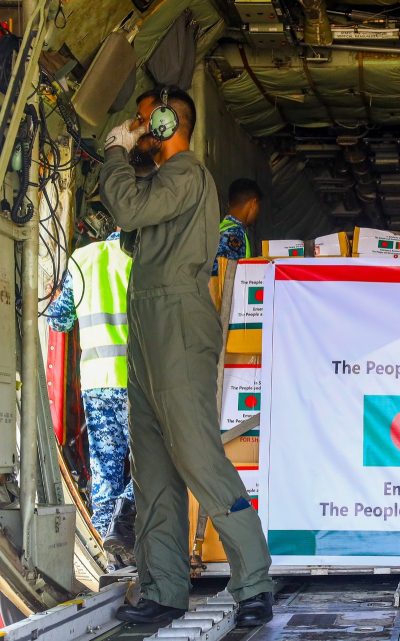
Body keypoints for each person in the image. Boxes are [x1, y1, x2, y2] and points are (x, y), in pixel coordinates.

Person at [99, 86, 274, 627]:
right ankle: (163, 588)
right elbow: (134, 234)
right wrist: (131, 165)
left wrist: (115, 153)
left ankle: (254, 582)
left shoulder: (186, 173)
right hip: (148, 323)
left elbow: (128, 209)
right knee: (152, 468)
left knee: (197, 455)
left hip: (176, 318)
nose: (137, 129)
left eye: (144, 121)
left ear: (168, 123)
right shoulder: (163, 180)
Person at [46, 231, 136, 566]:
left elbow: (59, 320)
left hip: (96, 382)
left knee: (104, 470)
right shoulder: (139, 257)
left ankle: (107, 556)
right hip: (135, 381)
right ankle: (124, 517)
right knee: (154, 465)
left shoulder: (80, 259)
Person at [212, 178, 262, 276]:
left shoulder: (221, 227)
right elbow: (225, 277)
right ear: (253, 204)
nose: (258, 212)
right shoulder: (235, 234)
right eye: (258, 206)